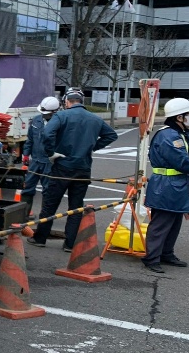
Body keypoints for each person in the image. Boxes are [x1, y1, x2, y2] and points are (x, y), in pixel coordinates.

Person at [29, 88, 118, 251]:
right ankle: (70, 243)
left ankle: (40, 238)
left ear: (67, 102)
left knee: (50, 204)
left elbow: (47, 134)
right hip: (83, 167)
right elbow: (111, 135)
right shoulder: (95, 119)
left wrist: (51, 153)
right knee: (76, 207)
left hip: (62, 166)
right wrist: (93, 147)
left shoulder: (61, 116)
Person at [142, 98, 189, 273]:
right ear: (179, 117)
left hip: (175, 185)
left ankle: (166, 254)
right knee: (161, 224)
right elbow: (181, 162)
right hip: (166, 186)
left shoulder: (178, 133)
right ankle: (152, 258)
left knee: (174, 222)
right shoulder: (169, 136)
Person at [19, 96, 60, 219]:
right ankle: (24, 215)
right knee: (27, 187)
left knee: (48, 190)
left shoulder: (60, 122)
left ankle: (45, 217)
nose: (44, 115)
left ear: (54, 112)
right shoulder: (36, 120)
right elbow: (30, 139)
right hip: (35, 161)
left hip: (49, 162)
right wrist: (26, 154)